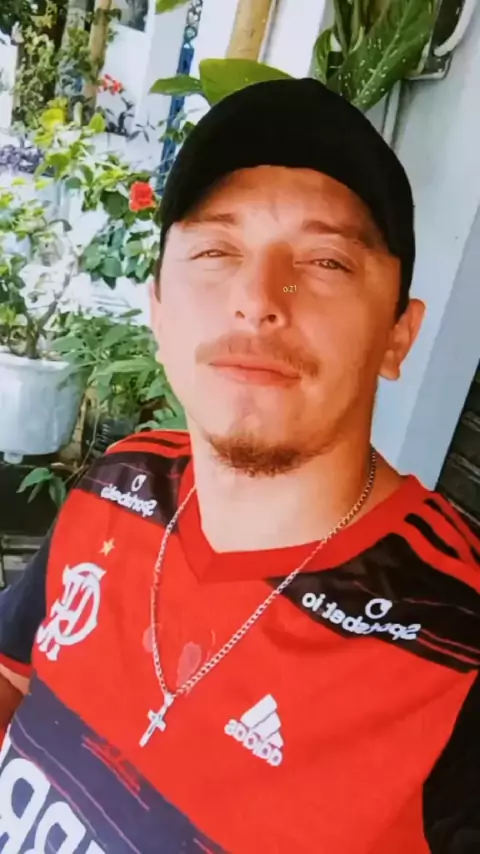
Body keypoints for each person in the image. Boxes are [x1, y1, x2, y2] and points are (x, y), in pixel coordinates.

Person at [0, 78, 479, 854]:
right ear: (158, 313)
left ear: (399, 335)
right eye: (216, 251)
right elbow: (13, 671)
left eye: (325, 261)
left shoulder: (457, 642)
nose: (258, 300)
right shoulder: (116, 484)